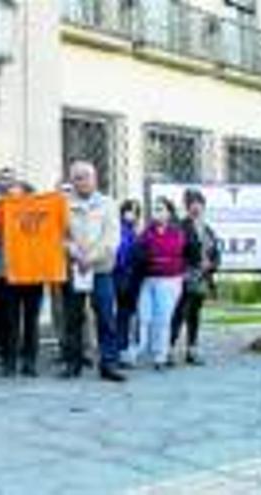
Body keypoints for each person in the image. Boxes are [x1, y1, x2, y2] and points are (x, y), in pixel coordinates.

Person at [60, 161, 125, 382]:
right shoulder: (63, 205)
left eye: (86, 176)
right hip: (75, 268)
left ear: (95, 179)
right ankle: (72, 364)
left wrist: (91, 257)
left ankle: (109, 364)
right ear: (72, 181)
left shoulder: (108, 204)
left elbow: (112, 238)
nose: (82, 181)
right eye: (77, 177)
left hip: (101, 269)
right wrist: (76, 255)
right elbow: (61, 236)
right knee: (73, 318)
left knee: (106, 317)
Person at [131, 197, 186, 370]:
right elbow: (138, 253)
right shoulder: (147, 232)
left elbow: (174, 253)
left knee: (162, 319)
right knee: (144, 316)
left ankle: (160, 357)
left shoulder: (176, 233)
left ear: (169, 213)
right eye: (155, 209)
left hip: (169, 281)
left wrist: (156, 258)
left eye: (161, 209)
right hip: (148, 280)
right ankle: (137, 350)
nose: (157, 213)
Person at [0, 181, 44, 378]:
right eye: (10, 196)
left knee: (31, 321)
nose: (13, 200)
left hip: (34, 274)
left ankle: (30, 362)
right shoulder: (1, 212)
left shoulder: (41, 216)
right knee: (9, 320)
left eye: (17, 196)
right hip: (11, 274)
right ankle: (9, 362)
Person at [170, 189, 221, 365]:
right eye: (192, 203)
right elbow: (176, 252)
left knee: (194, 314)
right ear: (187, 206)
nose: (196, 206)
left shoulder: (207, 229)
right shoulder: (180, 226)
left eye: (199, 203)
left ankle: (192, 350)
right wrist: (187, 268)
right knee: (179, 312)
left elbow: (216, 254)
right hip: (185, 277)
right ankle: (169, 349)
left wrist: (211, 265)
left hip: (202, 278)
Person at [114, 200, 142, 366]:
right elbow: (120, 254)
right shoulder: (120, 230)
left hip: (134, 279)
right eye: (129, 211)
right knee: (122, 314)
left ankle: (127, 348)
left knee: (130, 315)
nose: (131, 214)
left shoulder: (136, 232)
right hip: (120, 277)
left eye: (135, 211)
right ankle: (120, 348)